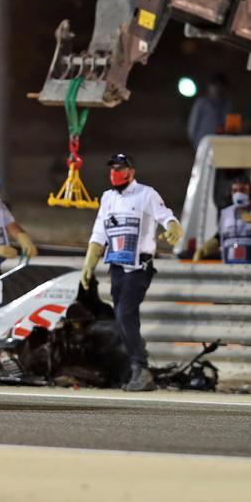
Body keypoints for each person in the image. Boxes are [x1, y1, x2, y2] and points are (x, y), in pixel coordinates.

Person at [81, 153, 183, 392]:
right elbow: (99, 234)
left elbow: (166, 216)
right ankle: (135, 366)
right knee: (123, 318)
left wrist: (174, 228)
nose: (115, 172)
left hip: (139, 267)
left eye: (120, 168)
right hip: (117, 266)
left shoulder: (146, 194)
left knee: (125, 314)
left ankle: (140, 367)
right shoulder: (107, 198)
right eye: (113, 168)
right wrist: (89, 265)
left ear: (131, 171)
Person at [193, 175, 251, 264]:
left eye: (243, 190)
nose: (239, 193)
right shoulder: (226, 213)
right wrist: (204, 249)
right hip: (231, 267)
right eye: (235, 190)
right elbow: (220, 237)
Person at [187, 74, 230, 150]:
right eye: (214, 85)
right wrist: (194, 141)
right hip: (203, 141)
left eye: (220, 86)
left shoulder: (227, 103)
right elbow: (193, 123)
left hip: (221, 142)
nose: (217, 88)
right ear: (209, 87)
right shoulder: (201, 103)